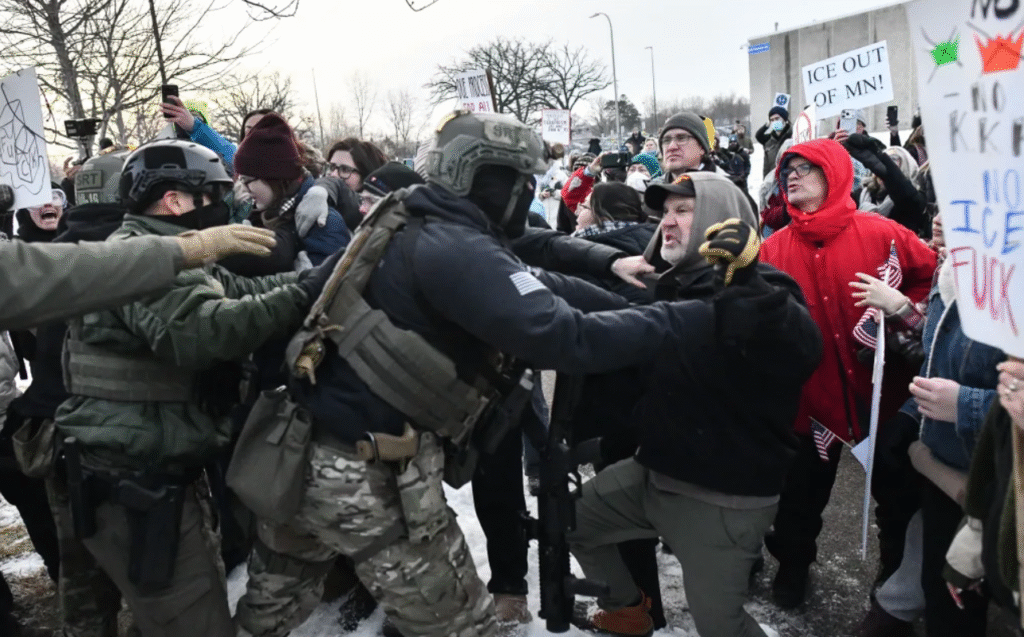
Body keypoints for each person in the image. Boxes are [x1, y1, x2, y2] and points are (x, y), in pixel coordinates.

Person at [235, 111, 740, 637]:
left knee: (265, 612)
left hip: (300, 455)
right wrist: (687, 319)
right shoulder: (455, 248)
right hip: (365, 480)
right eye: (522, 183)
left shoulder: (414, 217)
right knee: (460, 625)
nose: (528, 195)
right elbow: (565, 336)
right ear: (488, 179)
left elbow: (530, 277)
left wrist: (625, 298)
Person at [53, 139, 328, 637]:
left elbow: (239, 291)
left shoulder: (171, 250)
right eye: (212, 196)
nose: (221, 207)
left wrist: (313, 282)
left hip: (137, 468)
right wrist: (298, 297)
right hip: (133, 481)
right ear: (174, 200)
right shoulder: (140, 257)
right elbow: (202, 331)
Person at [569, 173, 822, 637]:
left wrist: (746, 285)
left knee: (720, 627)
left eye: (683, 211)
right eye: (665, 212)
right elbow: (663, 387)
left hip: (722, 500)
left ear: (720, 221)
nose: (666, 221)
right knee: (571, 521)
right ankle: (627, 610)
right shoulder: (671, 285)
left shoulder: (767, 287)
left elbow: (800, 348)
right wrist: (604, 443)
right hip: (653, 475)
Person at [759, 138, 938, 609]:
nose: (792, 175)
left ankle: (893, 577)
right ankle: (793, 564)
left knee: (897, 497)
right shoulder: (772, 249)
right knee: (798, 496)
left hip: (881, 396)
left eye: (806, 168)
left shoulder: (882, 233)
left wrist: (900, 310)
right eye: (787, 169)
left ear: (835, 173)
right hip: (811, 401)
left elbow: (931, 278)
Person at [232, 113, 350, 271]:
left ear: (274, 178)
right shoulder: (264, 214)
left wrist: (300, 279)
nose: (243, 189)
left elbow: (330, 281)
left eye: (247, 180)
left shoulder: (324, 223)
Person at [651, 112, 718, 185]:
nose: (671, 147)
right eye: (666, 140)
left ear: (702, 147)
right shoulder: (653, 189)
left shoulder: (723, 187)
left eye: (681, 138)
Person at [755, 106, 793, 178]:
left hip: (789, 179)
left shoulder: (793, 136)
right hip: (774, 180)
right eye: (772, 120)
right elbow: (766, 167)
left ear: (785, 119)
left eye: (777, 118)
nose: (775, 122)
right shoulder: (769, 141)